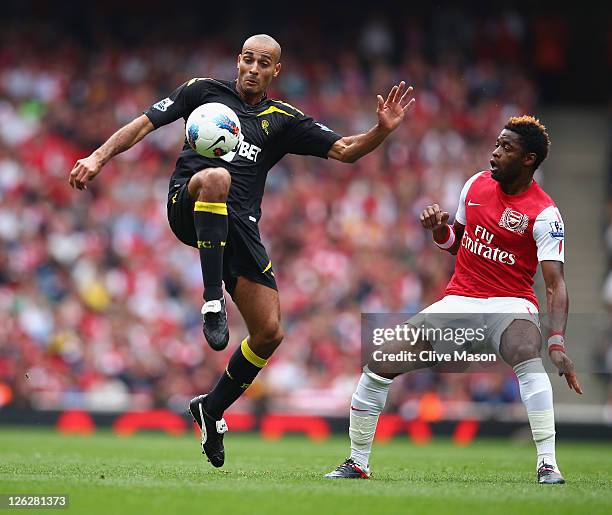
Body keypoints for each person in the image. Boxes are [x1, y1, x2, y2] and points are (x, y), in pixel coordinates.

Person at [68, 34, 415, 467]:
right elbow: (143, 123)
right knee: (217, 179)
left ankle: (210, 410)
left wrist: (381, 130)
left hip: (240, 230)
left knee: (269, 332)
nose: (253, 68)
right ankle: (212, 300)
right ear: (239, 61)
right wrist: (98, 157)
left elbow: (345, 150)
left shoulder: (282, 120)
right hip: (189, 202)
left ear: (275, 71)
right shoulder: (202, 92)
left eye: (263, 63)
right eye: (248, 59)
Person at [326, 116, 582, 484]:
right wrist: (439, 230)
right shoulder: (475, 185)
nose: (495, 153)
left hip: (510, 304)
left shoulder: (544, 213)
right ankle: (357, 461)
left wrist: (556, 340)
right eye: (496, 144)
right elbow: (459, 244)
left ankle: (547, 463)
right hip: (459, 299)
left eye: (506, 148)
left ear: (528, 160)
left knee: (528, 351)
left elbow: (555, 284)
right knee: (380, 360)